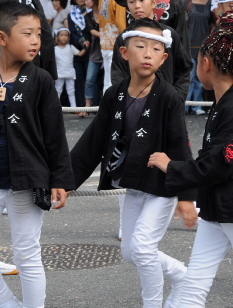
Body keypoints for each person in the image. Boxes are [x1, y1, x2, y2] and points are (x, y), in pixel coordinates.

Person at [149, 11, 233, 308]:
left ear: (207, 63)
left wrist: (171, 166)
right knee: (194, 285)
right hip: (219, 207)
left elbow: (218, 164)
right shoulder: (225, 103)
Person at [70, 18, 197, 308]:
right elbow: (92, 143)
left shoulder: (168, 97)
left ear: (164, 59)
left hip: (162, 186)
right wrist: (65, 181)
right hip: (133, 182)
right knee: (130, 251)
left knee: (142, 248)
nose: (148, 54)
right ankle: (182, 276)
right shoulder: (114, 94)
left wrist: (187, 197)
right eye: (140, 47)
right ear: (125, 53)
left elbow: (181, 145)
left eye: (156, 49)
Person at [0, 2, 73, 308]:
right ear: (2, 37)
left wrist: (60, 179)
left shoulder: (41, 79)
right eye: (27, 33)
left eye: (38, 34)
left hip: (27, 177)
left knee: (27, 254)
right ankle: (6, 303)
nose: (36, 41)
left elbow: (55, 134)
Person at [110, 0, 192, 102]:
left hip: (167, 102)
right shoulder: (124, 37)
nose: (137, 6)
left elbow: (183, 69)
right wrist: (127, 100)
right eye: (131, 2)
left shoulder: (168, 34)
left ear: (154, 2)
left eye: (142, 0)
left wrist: (177, 97)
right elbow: (118, 73)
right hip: (134, 102)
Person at [185, 0, 213, 115]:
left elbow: (212, 23)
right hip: (189, 44)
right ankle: (185, 106)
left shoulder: (209, 4)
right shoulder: (187, 2)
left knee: (200, 77)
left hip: (204, 44)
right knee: (190, 76)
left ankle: (197, 106)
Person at [99, 0, 128, 94]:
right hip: (116, 43)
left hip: (105, 42)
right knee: (115, 80)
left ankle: (106, 103)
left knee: (107, 80)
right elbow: (120, 22)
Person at [54, 27, 89, 108]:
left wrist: (85, 48)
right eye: (61, 35)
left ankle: (73, 107)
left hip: (70, 73)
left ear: (69, 37)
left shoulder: (70, 47)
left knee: (71, 91)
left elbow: (80, 54)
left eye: (66, 35)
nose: (64, 37)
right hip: (59, 73)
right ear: (58, 37)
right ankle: (55, 108)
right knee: (58, 90)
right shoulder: (54, 49)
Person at [68, 0, 90, 108]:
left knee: (90, 79)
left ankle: (90, 103)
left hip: (90, 50)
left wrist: (88, 44)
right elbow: (72, 32)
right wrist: (82, 43)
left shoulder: (91, 12)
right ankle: (80, 103)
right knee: (78, 78)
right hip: (77, 50)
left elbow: (91, 30)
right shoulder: (71, 14)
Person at [84, 0, 103, 111]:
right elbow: (91, 30)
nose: (85, 2)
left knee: (107, 79)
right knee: (90, 79)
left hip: (108, 49)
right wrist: (106, 36)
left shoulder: (105, 12)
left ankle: (105, 104)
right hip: (96, 50)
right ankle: (88, 105)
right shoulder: (88, 16)